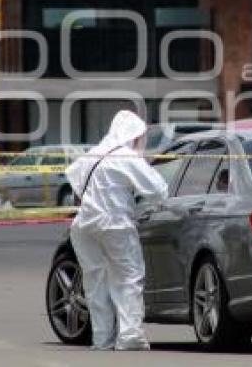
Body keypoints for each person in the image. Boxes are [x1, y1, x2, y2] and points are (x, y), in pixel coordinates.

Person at [66, 110, 169, 351]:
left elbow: (76, 185)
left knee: (95, 280)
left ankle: (102, 338)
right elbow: (158, 190)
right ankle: (129, 336)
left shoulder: (93, 154)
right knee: (128, 277)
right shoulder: (126, 157)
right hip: (114, 223)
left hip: (83, 226)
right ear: (134, 136)